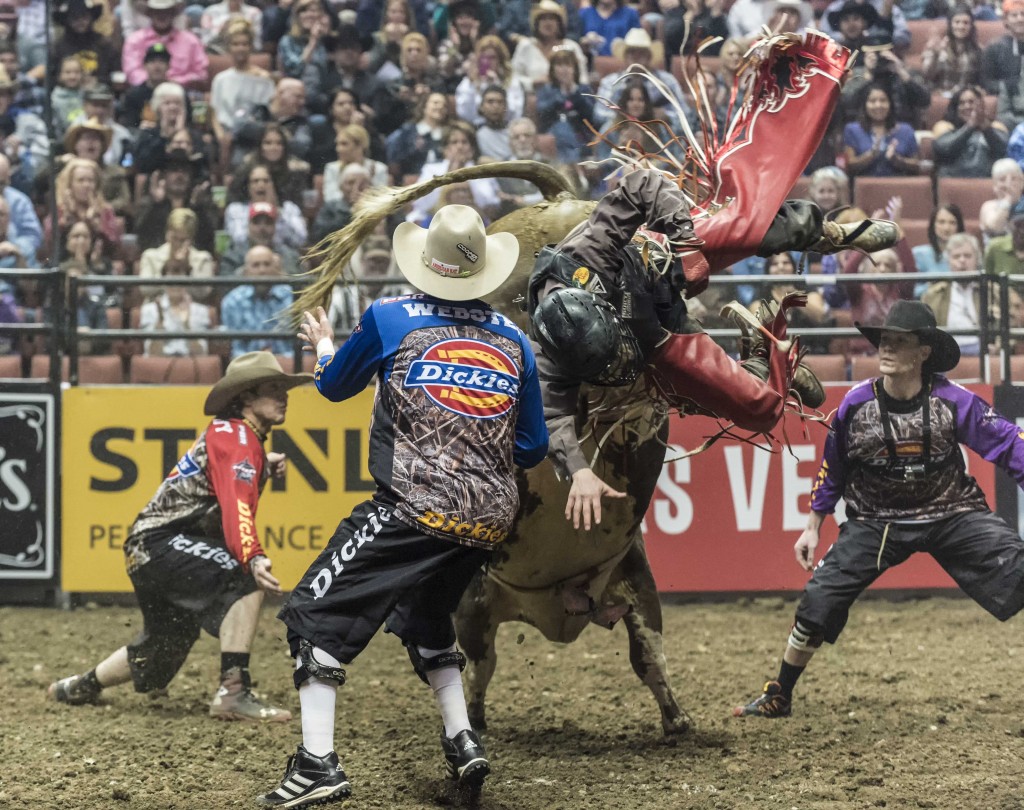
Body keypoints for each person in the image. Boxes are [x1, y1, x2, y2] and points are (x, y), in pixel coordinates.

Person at [257, 204, 548, 807]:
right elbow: (532, 446)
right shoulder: (514, 340)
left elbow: (335, 386)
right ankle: (464, 742)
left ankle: (316, 764)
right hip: (490, 518)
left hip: (414, 506)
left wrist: (327, 346)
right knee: (425, 621)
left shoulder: (391, 317)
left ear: (425, 265)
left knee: (311, 612)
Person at [733, 300, 1024, 719]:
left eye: (898, 343)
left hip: (951, 511)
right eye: (883, 341)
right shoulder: (854, 405)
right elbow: (833, 466)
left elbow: (1010, 445)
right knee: (819, 600)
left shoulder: (954, 400)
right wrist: (813, 524)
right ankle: (780, 692)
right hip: (876, 519)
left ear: (923, 353)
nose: (885, 349)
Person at [47, 351, 310, 722]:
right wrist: (252, 554)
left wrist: (263, 464)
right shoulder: (238, 439)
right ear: (247, 397)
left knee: (164, 645)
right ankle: (233, 691)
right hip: (160, 543)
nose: (283, 395)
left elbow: (219, 483)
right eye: (273, 388)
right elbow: (236, 504)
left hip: (150, 547)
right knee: (243, 579)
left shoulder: (233, 434)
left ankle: (81, 684)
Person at [220, 245, 294, 357]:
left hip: (287, 365)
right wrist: (258, 360)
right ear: (246, 271)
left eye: (267, 264)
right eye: (256, 265)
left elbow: (303, 346)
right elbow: (234, 349)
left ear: (276, 269)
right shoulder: (232, 301)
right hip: (247, 367)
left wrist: (279, 360)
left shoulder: (292, 297)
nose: (262, 270)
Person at [121, 0, 209, 89]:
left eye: (166, 11)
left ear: (173, 14)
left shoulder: (191, 41)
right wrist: (154, 83)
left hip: (182, 92)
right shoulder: (135, 40)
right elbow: (132, 72)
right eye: (157, 12)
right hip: (145, 92)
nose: (162, 15)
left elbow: (201, 73)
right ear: (150, 14)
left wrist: (175, 82)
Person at [933, 83, 1008, 178]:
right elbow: (944, 149)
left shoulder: (996, 126)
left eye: (971, 102)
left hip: (987, 183)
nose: (967, 106)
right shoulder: (944, 126)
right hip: (953, 183)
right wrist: (970, 126)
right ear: (955, 107)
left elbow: (1004, 149)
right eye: (962, 103)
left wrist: (986, 128)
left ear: (981, 105)